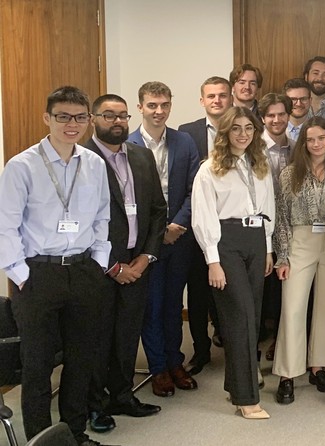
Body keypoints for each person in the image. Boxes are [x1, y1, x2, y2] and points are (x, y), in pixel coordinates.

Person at [1, 86, 113, 444]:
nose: (72, 124)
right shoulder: (21, 166)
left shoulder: (94, 163)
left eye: (80, 117)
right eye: (63, 116)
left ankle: (74, 433)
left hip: (82, 271)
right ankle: (39, 437)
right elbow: (6, 225)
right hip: (38, 274)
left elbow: (102, 217)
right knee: (38, 364)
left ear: (88, 121)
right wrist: (19, 274)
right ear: (47, 118)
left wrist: (98, 262)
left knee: (82, 359)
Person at [84, 94, 167, 433]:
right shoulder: (82, 159)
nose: (117, 122)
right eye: (108, 116)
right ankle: (94, 405)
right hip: (98, 269)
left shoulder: (142, 156)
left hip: (138, 263)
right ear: (93, 119)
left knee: (126, 335)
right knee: (96, 339)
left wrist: (145, 259)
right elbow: (82, 220)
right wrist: (113, 266)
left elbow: (157, 212)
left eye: (122, 116)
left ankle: (121, 395)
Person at [190, 106, 276, 420]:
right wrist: (213, 261)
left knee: (251, 319)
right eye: (236, 128)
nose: (242, 134)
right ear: (225, 132)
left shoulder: (259, 164)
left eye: (248, 128)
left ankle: (235, 383)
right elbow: (202, 218)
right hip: (226, 243)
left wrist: (267, 248)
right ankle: (246, 398)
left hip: (256, 242)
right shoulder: (209, 168)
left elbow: (268, 206)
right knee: (238, 318)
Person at [130, 81, 201, 397]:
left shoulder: (184, 141)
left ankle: (176, 362)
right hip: (145, 242)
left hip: (180, 238)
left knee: (174, 305)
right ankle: (158, 368)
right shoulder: (128, 145)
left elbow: (193, 189)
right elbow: (125, 199)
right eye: (152, 105)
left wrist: (177, 225)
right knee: (152, 305)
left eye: (164, 105)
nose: (159, 111)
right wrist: (159, 232)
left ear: (170, 106)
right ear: (140, 107)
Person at [271, 116, 325, 405]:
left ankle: (318, 366)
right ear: (303, 143)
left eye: (322, 138)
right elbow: (281, 217)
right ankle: (288, 374)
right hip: (300, 241)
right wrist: (283, 257)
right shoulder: (291, 173)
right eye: (310, 139)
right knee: (292, 308)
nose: (316, 144)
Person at [179, 76, 233, 366]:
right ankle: (200, 350)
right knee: (199, 290)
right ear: (202, 101)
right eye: (211, 96)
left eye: (222, 95)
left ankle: (231, 344)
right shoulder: (186, 133)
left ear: (231, 99)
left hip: (233, 224)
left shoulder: (243, 129)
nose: (217, 100)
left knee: (231, 289)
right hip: (198, 223)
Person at [257, 93, 294, 365]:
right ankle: (258, 340)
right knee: (262, 285)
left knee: (286, 286)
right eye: (271, 115)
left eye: (281, 114)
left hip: (290, 225)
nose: (276, 119)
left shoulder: (298, 148)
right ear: (262, 118)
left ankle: (281, 340)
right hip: (259, 226)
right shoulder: (253, 149)